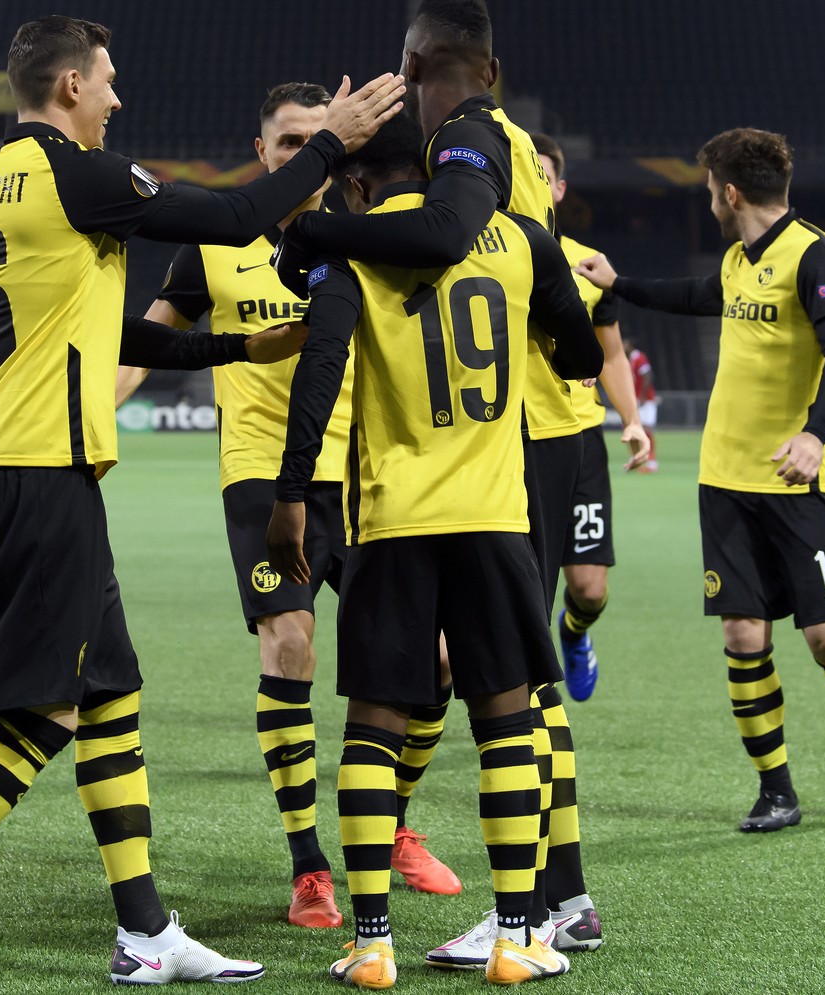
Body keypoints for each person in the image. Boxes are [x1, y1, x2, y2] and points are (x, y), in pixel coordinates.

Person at [0, 17, 405, 993]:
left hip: (30, 464)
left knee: (110, 700)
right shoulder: (75, 173)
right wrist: (333, 137)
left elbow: (113, 333)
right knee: (38, 715)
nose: (117, 97)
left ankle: (145, 930)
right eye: (105, 81)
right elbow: (235, 216)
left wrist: (234, 348)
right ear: (65, 88)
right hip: (34, 469)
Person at [276, 0, 608, 965]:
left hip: (390, 518)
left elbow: (321, 373)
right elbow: (581, 353)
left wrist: (294, 494)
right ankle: (519, 934)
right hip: (497, 509)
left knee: (376, 725)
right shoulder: (524, 239)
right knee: (507, 715)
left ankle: (373, 942)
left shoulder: (353, 253)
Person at [118, 81, 460, 933]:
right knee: (293, 642)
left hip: (371, 470)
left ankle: (391, 822)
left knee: (440, 662)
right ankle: (310, 863)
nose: (302, 152)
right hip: (261, 477)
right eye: (287, 141)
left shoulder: (368, 232)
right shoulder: (216, 241)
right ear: (264, 148)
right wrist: (89, 412)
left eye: (318, 137)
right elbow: (152, 337)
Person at [573, 127, 825, 831]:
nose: (708, 202)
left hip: (800, 482)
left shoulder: (814, 253)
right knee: (742, 634)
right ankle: (776, 788)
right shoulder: (736, 261)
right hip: (725, 481)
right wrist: (621, 284)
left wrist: (815, 436)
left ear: (730, 191)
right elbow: (697, 294)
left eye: (708, 190)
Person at [528, 133, 650, 703]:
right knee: (523, 584)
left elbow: (614, 354)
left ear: (559, 186)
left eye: (544, 173)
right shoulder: (483, 250)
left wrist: (631, 419)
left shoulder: (589, 264)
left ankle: (574, 634)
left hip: (579, 441)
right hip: (516, 440)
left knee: (589, 588)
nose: (536, 181)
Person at [622, 335, 658, 470]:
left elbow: (648, 375)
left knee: (646, 430)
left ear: (630, 345)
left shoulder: (639, 358)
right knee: (632, 429)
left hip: (645, 400)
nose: (622, 346)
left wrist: (642, 397)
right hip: (636, 399)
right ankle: (636, 458)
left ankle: (651, 461)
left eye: (624, 343)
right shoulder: (629, 359)